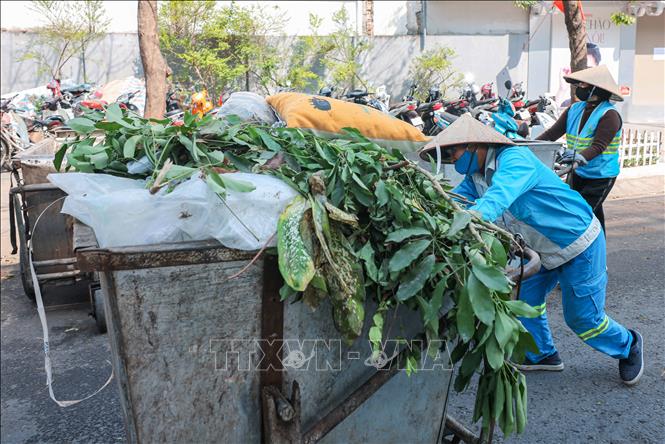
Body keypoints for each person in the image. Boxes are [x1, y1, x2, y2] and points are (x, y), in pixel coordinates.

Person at [419, 114, 642, 385]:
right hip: (539, 250)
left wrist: (461, 225)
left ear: (474, 144)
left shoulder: (513, 160)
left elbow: (495, 199)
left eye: (453, 153)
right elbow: (456, 203)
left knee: (584, 320)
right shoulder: (475, 176)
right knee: (524, 300)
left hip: (577, 243)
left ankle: (628, 344)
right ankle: (542, 355)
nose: (453, 160)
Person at [538, 65, 623, 234]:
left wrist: (579, 157)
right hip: (578, 172)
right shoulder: (574, 109)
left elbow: (599, 146)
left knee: (581, 215)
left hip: (601, 175)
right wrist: (527, 146)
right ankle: (599, 256)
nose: (578, 88)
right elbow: (552, 133)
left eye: (583, 85)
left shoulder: (609, 115)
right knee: (592, 215)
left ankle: (589, 254)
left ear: (595, 88)